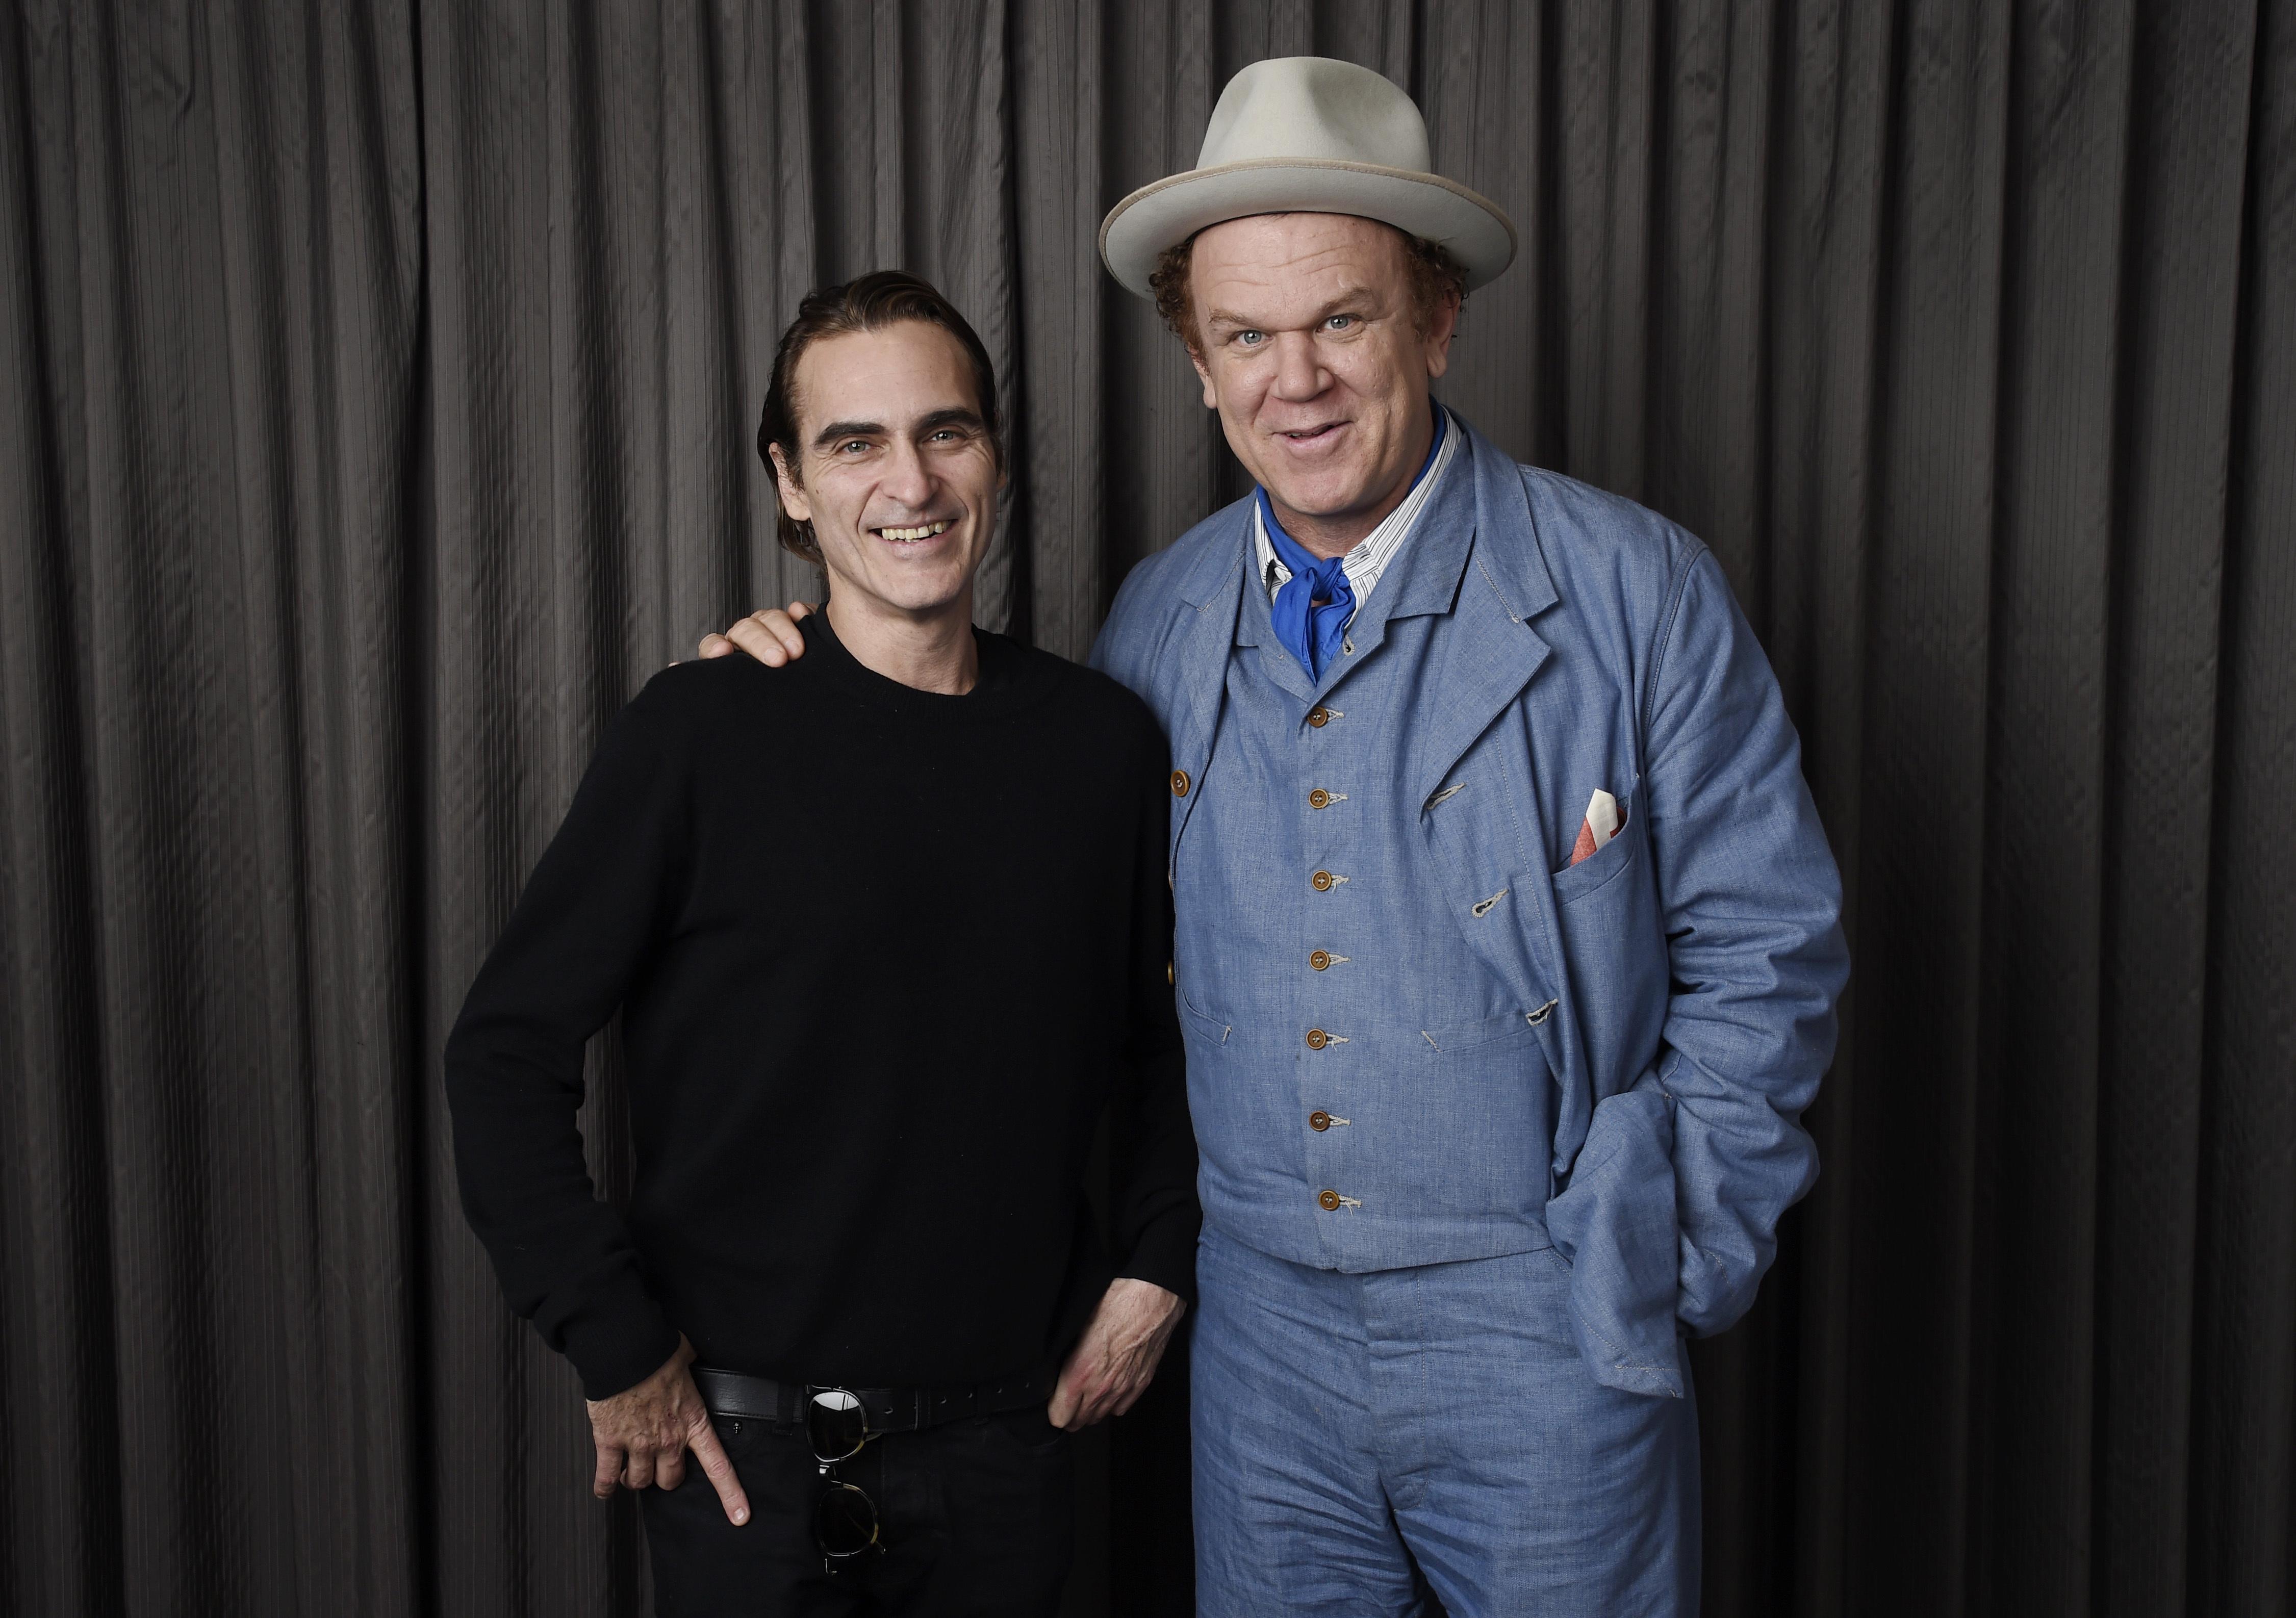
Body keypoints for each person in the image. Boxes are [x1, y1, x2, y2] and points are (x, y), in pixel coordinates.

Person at [705, 58, 1848, 1616]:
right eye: (1245, 334)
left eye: (1343, 320)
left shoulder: (1636, 592)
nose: (1293, 377)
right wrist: (792, 685)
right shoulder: (1159, 622)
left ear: (1436, 319)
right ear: (1196, 359)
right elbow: (1027, 898)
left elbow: (1770, 952)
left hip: (1549, 1320)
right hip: (1259, 1356)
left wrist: (1651, 1254)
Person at [445, 270, 1197, 1616]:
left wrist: (1154, 1265)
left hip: (1011, 1452)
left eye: (945, 431)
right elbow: (502, 1059)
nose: (910, 481)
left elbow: (1171, 1046)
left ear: (995, 456)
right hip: (750, 1466)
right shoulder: (698, 734)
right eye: (856, 443)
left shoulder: (1103, 747)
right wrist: (616, 1345)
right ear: (792, 486)